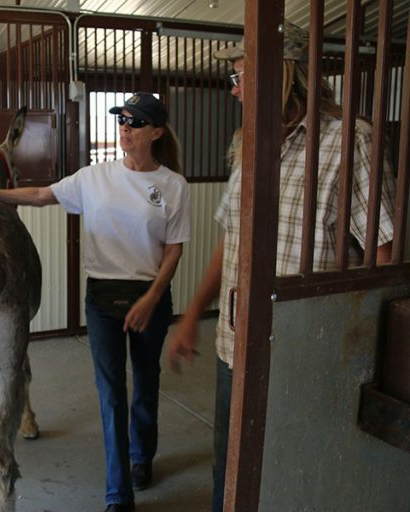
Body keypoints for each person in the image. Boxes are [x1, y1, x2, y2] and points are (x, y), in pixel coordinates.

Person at [166, 21, 397, 512]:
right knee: (229, 471)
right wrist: (191, 317)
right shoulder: (247, 146)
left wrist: (365, 351)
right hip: (236, 343)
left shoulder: (349, 141)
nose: (234, 89)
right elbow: (234, 242)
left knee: (292, 474)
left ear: (282, 73)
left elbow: (382, 253)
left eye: (241, 74)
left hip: (307, 349)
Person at [0, 93, 191, 512]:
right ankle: (118, 493)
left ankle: (142, 456)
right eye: (122, 120)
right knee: (110, 394)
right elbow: (40, 195)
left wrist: (152, 297)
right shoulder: (95, 177)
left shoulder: (172, 185)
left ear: (157, 132)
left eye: (136, 122)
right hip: (103, 299)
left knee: (145, 387)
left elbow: (174, 250)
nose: (125, 128)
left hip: (149, 298)